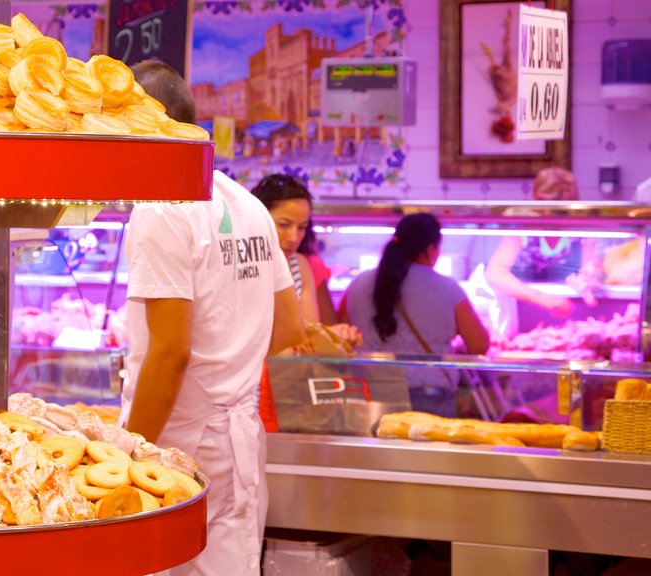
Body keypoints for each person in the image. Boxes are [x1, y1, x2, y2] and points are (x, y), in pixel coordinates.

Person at [120, 59, 303, 576]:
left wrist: (131, 454)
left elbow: (172, 353)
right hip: (240, 433)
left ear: (142, 122)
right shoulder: (247, 203)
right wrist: (228, 370)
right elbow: (288, 329)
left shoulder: (160, 209)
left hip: (181, 439)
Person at [339, 213, 489, 417]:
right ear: (431, 249)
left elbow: (339, 335)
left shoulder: (358, 283)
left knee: (376, 449)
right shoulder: (448, 288)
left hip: (369, 393)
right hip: (429, 396)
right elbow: (479, 345)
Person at [485, 167, 599, 320]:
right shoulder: (522, 230)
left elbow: (592, 268)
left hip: (572, 314)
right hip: (522, 314)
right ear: (537, 200)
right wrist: (541, 298)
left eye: (563, 211)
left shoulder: (581, 232)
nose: (556, 218)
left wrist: (589, 279)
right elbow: (495, 273)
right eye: (550, 208)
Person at [249, 173, 337, 324]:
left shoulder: (300, 265)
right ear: (257, 217)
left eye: (302, 227)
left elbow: (309, 332)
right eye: (283, 225)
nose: (294, 237)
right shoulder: (237, 260)